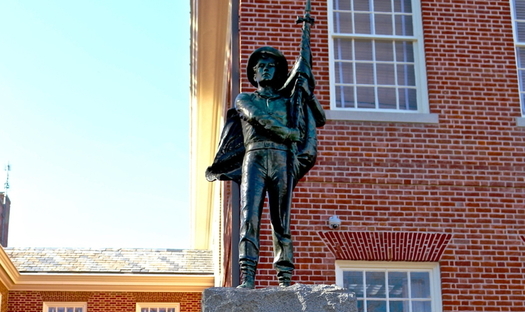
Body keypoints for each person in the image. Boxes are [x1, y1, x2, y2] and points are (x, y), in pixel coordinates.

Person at [206, 46, 325, 289]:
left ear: (279, 72)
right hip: (255, 158)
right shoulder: (245, 99)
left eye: (271, 66)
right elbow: (258, 117)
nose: (266, 69)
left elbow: (320, 118)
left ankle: (284, 277)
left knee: (281, 220)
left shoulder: (288, 102)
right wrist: (287, 132)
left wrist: (306, 92)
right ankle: (247, 274)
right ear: (254, 73)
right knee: (250, 217)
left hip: (282, 159)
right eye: (261, 66)